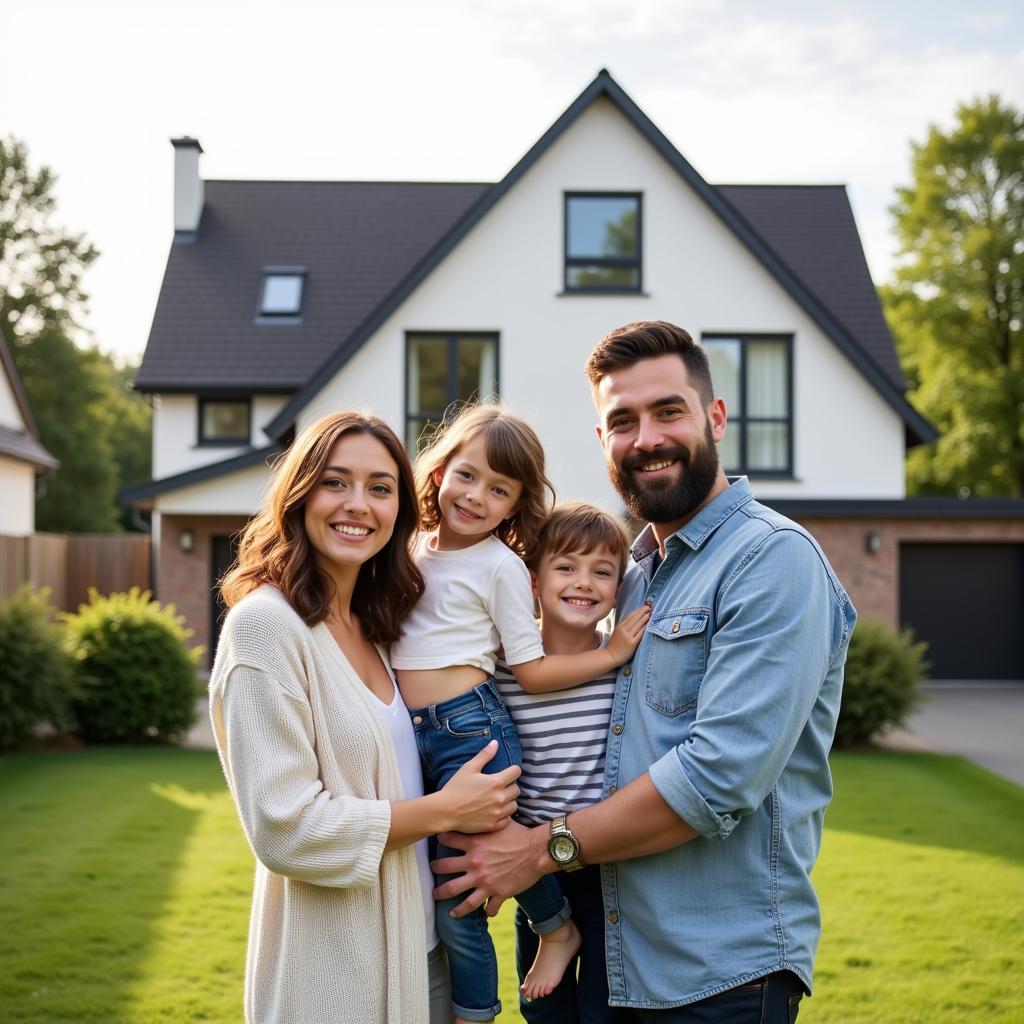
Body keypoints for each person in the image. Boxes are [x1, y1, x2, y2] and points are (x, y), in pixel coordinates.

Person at [433, 322, 858, 1023]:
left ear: (715, 418)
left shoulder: (771, 560)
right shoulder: (630, 575)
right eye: (621, 421)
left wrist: (540, 849)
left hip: (716, 976)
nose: (646, 437)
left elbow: (719, 776)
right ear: (603, 442)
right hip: (608, 952)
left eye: (669, 411)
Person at [209, 411, 522, 1024]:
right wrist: (447, 811)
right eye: (336, 482)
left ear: (401, 510)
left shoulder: (383, 629)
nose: (358, 505)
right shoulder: (266, 630)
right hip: (335, 977)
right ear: (299, 495)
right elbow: (286, 828)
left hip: (424, 957)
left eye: (380, 488)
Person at [391, 404, 650, 1024]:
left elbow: (533, 672)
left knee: (601, 1003)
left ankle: (499, 988)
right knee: (455, 890)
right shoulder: (410, 551)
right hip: (433, 744)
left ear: (516, 504)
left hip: (490, 752)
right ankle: (492, 989)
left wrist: (614, 652)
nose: (478, 496)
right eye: (468, 476)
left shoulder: (503, 569)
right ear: (439, 472)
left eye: (499, 489)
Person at [493, 502, 634, 1024]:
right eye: (566, 567)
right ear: (533, 581)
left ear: (618, 587)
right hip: (534, 872)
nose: (584, 582)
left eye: (602, 572)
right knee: (543, 1012)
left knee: (605, 1012)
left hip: (607, 862)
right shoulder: (500, 661)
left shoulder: (625, 661)